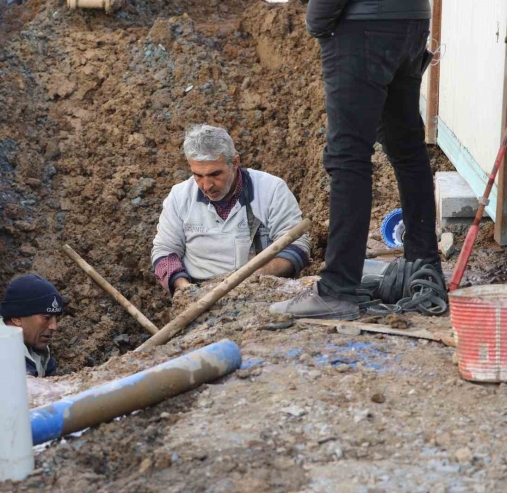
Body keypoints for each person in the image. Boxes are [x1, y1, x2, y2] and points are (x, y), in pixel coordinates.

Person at [271, 0, 441, 320]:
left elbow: (322, 16)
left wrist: (318, 21)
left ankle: (338, 289)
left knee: (348, 156)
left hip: (361, 28)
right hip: (412, 20)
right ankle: (424, 270)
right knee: (407, 148)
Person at [152, 124, 311, 296]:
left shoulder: (271, 189)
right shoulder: (179, 196)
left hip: (260, 291)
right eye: (198, 175)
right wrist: (185, 289)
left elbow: (297, 245)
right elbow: (165, 251)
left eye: (215, 174)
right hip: (199, 293)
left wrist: (253, 279)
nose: (206, 185)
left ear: (235, 162)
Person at [0, 274, 63, 377]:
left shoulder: (34, 344)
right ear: (17, 318)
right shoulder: (0, 352)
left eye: (55, 318)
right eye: (47, 318)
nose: (54, 326)